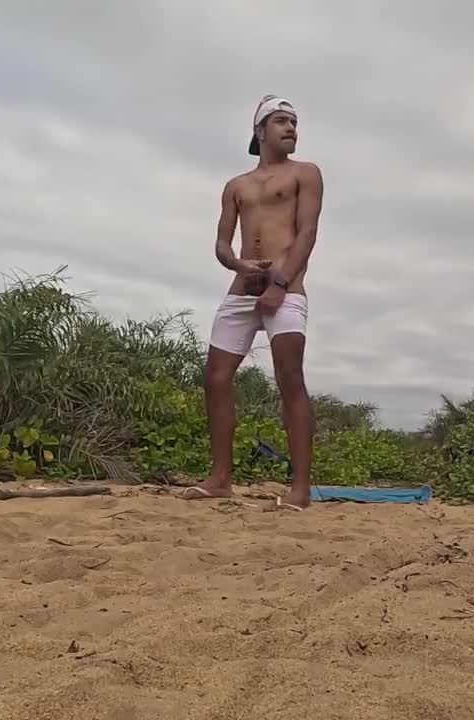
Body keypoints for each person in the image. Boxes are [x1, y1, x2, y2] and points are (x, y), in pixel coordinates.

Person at [179, 94, 324, 511]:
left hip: (286, 287)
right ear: (259, 130)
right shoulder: (236, 186)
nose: (291, 128)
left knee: (289, 378)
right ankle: (220, 479)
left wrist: (279, 282)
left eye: (294, 122)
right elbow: (222, 245)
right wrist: (239, 265)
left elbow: (307, 233)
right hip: (243, 288)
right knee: (216, 377)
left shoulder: (306, 173)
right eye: (281, 121)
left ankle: (299, 490)